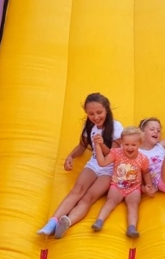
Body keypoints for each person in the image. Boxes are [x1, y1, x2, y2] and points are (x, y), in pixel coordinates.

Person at [36, 92, 123, 239]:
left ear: (107, 110)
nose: (96, 117)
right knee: (77, 190)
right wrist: (70, 156)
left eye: (99, 112)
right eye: (91, 114)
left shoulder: (116, 127)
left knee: (88, 197)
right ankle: (51, 223)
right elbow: (82, 146)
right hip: (94, 163)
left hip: (110, 168)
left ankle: (67, 222)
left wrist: (101, 144)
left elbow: (113, 155)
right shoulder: (89, 126)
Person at [91, 127, 155, 238]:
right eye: (126, 144)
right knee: (110, 201)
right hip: (117, 185)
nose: (129, 147)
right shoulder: (116, 153)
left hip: (134, 188)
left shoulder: (143, 158)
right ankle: (99, 221)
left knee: (133, 205)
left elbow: (145, 172)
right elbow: (102, 162)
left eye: (133, 145)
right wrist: (97, 145)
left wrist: (148, 185)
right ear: (121, 142)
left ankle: (132, 228)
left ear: (140, 144)